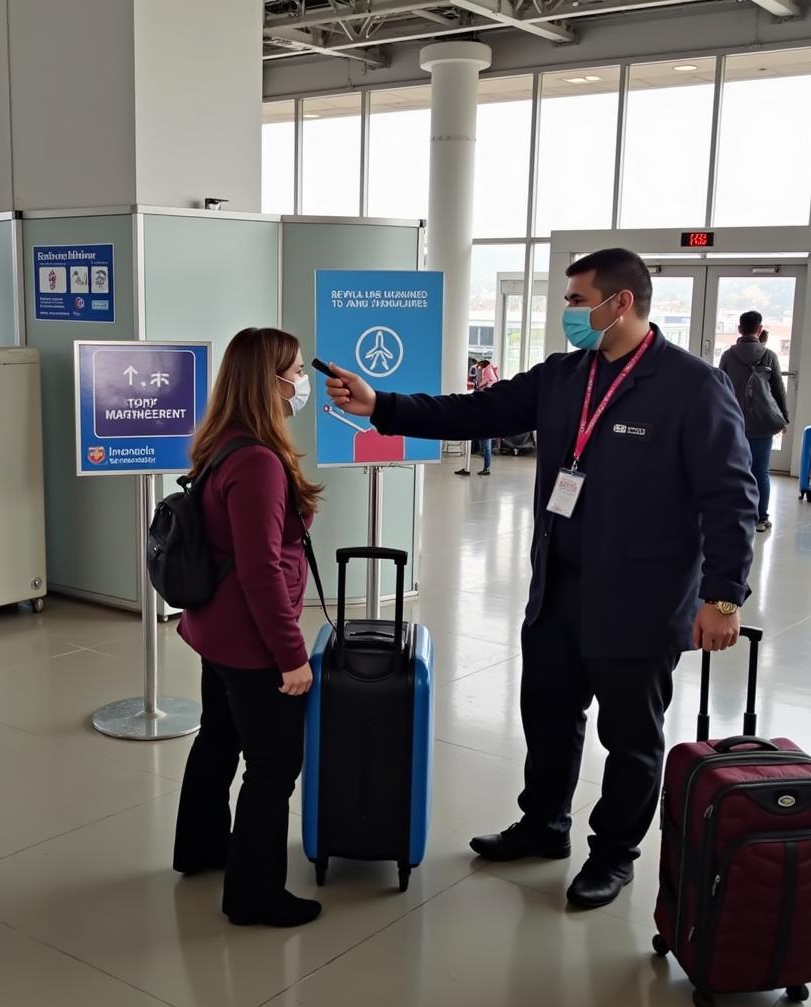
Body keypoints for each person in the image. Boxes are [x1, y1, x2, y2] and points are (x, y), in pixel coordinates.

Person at [326, 248, 758, 910]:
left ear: (621, 304)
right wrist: (382, 404)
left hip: (640, 602)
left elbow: (731, 497)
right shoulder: (564, 376)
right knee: (549, 716)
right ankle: (543, 824)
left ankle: (613, 854)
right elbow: (476, 413)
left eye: (577, 301)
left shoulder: (691, 386)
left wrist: (723, 597)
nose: (568, 313)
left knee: (631, 739)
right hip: (558, 588)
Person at [173, 327, 323, 928]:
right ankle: (254, 894)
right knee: (273, 765)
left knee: (218, 737)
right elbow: (261, 569)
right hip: (251, 640)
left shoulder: (223, 442)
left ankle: (203, 846)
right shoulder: (258, 461)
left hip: (214, 630)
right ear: (270, 382)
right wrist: (292, 656)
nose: (301, 383)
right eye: (292, 371)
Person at [719, 311, 789, 533]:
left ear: (740, 329)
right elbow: (778, 390)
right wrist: (783, 418)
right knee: (761, 472)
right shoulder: (769, 355)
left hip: (734, 422)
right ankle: (760, 518)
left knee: (733, 471)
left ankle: (735, 516)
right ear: (759, 330)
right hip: (762, 423)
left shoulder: (729, 356)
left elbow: (719, 390)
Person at [476, 359, 499, 476]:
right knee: (485, 447)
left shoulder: (488, 371)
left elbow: (486, 381)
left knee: (486, 448)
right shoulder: (489, 370)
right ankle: (486, 467)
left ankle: (487, 468)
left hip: (486, 425)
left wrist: (480, 385)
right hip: (485, 424)